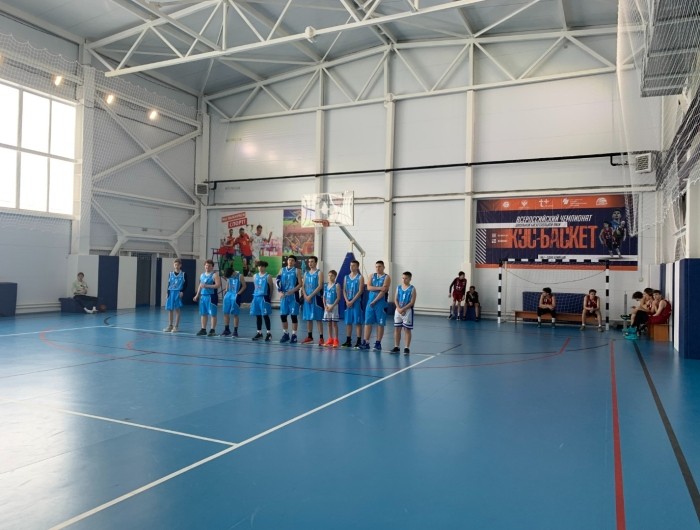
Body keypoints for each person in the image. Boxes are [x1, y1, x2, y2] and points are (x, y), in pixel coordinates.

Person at [360, 260, 391, 351]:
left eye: (380, 266)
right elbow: (368, 287)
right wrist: (379, 288)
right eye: (376, 266)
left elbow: (384, 291)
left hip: (380, 303)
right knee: (367, 322)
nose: (378, 268)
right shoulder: (371, 276)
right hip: (370, 302)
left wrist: (375, 300)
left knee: (380, 323)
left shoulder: (387, 277)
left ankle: (378, 343)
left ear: (383, 267)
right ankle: (366, 342)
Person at [277, 255, 303, 343]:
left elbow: (300, 284)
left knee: (293, 316)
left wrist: (293, 290)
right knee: (283, 315)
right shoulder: (282, 270)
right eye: (289, 260)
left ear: (294, 262)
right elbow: (277, 281)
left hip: (293, 296)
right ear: (287, 261)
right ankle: (285, 334)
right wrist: (280, 291)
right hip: (284, 295)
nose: (290, 261)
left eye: (292, 260)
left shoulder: (297, 271)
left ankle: (294, 335)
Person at [392, 271, 417, 355]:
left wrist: (403, 309)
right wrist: (399, 308)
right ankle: (396, 346)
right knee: (397, 328)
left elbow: (412, 302)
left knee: (407, 329)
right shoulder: (398, 287)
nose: (404, 280)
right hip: (398, 310)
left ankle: (406, 347)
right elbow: (395, 299)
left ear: (410, 279)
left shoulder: (412, 289)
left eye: (406, 278)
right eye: (403, 278)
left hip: (407, 311)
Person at [193, 259, 220, 336]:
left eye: (209, 266)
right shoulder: (202, 275)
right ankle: (203, 329)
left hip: (211, 296)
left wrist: (207, 286)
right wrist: (197, 295)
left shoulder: (215, 275)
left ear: (212, 267)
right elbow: (200, 285)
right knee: (203, 313)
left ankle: (212, 330)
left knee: (213, 314)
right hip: (203, 296)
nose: (207, 267)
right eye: (206, 265)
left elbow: (218, 285)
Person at [302, 256, 325, 345]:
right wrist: (305, 296)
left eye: (312, 261)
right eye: (309, 262)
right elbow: (303, 286)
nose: (310, 263)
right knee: (308, 318)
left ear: (316, 263)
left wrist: (310, 296)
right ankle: (310, 337)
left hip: (316, 298)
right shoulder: (306, 273)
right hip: (307, 298)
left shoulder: (319, 273)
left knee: (318, 318)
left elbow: (320, 286)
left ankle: (321, 338)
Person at [341, 259, 364, 348]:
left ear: (357, 267)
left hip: (356, 302)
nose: (351, 267)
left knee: (358, 322)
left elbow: (360, 291)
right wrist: (347, 301)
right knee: (348, 322)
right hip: (348, 302)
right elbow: (344, 290)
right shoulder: (346, 277)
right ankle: (348, 341)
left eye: (353, 265)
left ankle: (358, 341)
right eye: (350, 265)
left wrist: (352, 301)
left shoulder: (360, 277)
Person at [251, 260, 274, 341]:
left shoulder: (268, 276)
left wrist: (269, 297)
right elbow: (255, 286)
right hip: (256, 297)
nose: (260, 268)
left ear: (265, 267)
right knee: (258, 315)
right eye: (259, 266)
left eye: (262, 266)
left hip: (264, 298)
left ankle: (269, 333)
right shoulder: (255, 276)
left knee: (265, 315)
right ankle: (259, 333)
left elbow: (271, 288)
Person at [221, 266, 246, 337]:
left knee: (235, 314)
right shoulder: (229, 276)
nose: (229, 277)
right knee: (225, 312)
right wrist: (226, 290)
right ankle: (227, 329)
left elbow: (244, 286)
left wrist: (238, 293)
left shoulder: (240, 276)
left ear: (232, 273)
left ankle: (235, 331)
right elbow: (228, 283)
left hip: (235, 295)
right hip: (228, 294)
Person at [163, 258, 187, 332]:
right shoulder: (170, 274)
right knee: (170, 309)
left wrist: (182, 291)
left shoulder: (183, 274)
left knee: (177, 309)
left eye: (178, 265)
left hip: (178, 292)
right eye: (175, 264)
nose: (176, 266)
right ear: (173, 265)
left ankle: (176, 326)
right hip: (171, 292)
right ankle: (170, 325)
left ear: (180, 265)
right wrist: (167, 292)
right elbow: (169, 284)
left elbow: (186, 284)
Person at [322, 270, 341, 347]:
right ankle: (330, 339)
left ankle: (336, 340)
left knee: (334, 324)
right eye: (329, 275)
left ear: (335, 276)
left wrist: (332, 306)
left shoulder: (337, 285)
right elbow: (324, 297)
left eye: (332, 275)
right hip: (327, 306)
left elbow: (338, 298)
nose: (330, 277)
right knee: (329, 323)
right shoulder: (325, 285)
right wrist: (325, 306)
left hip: (334, 306)